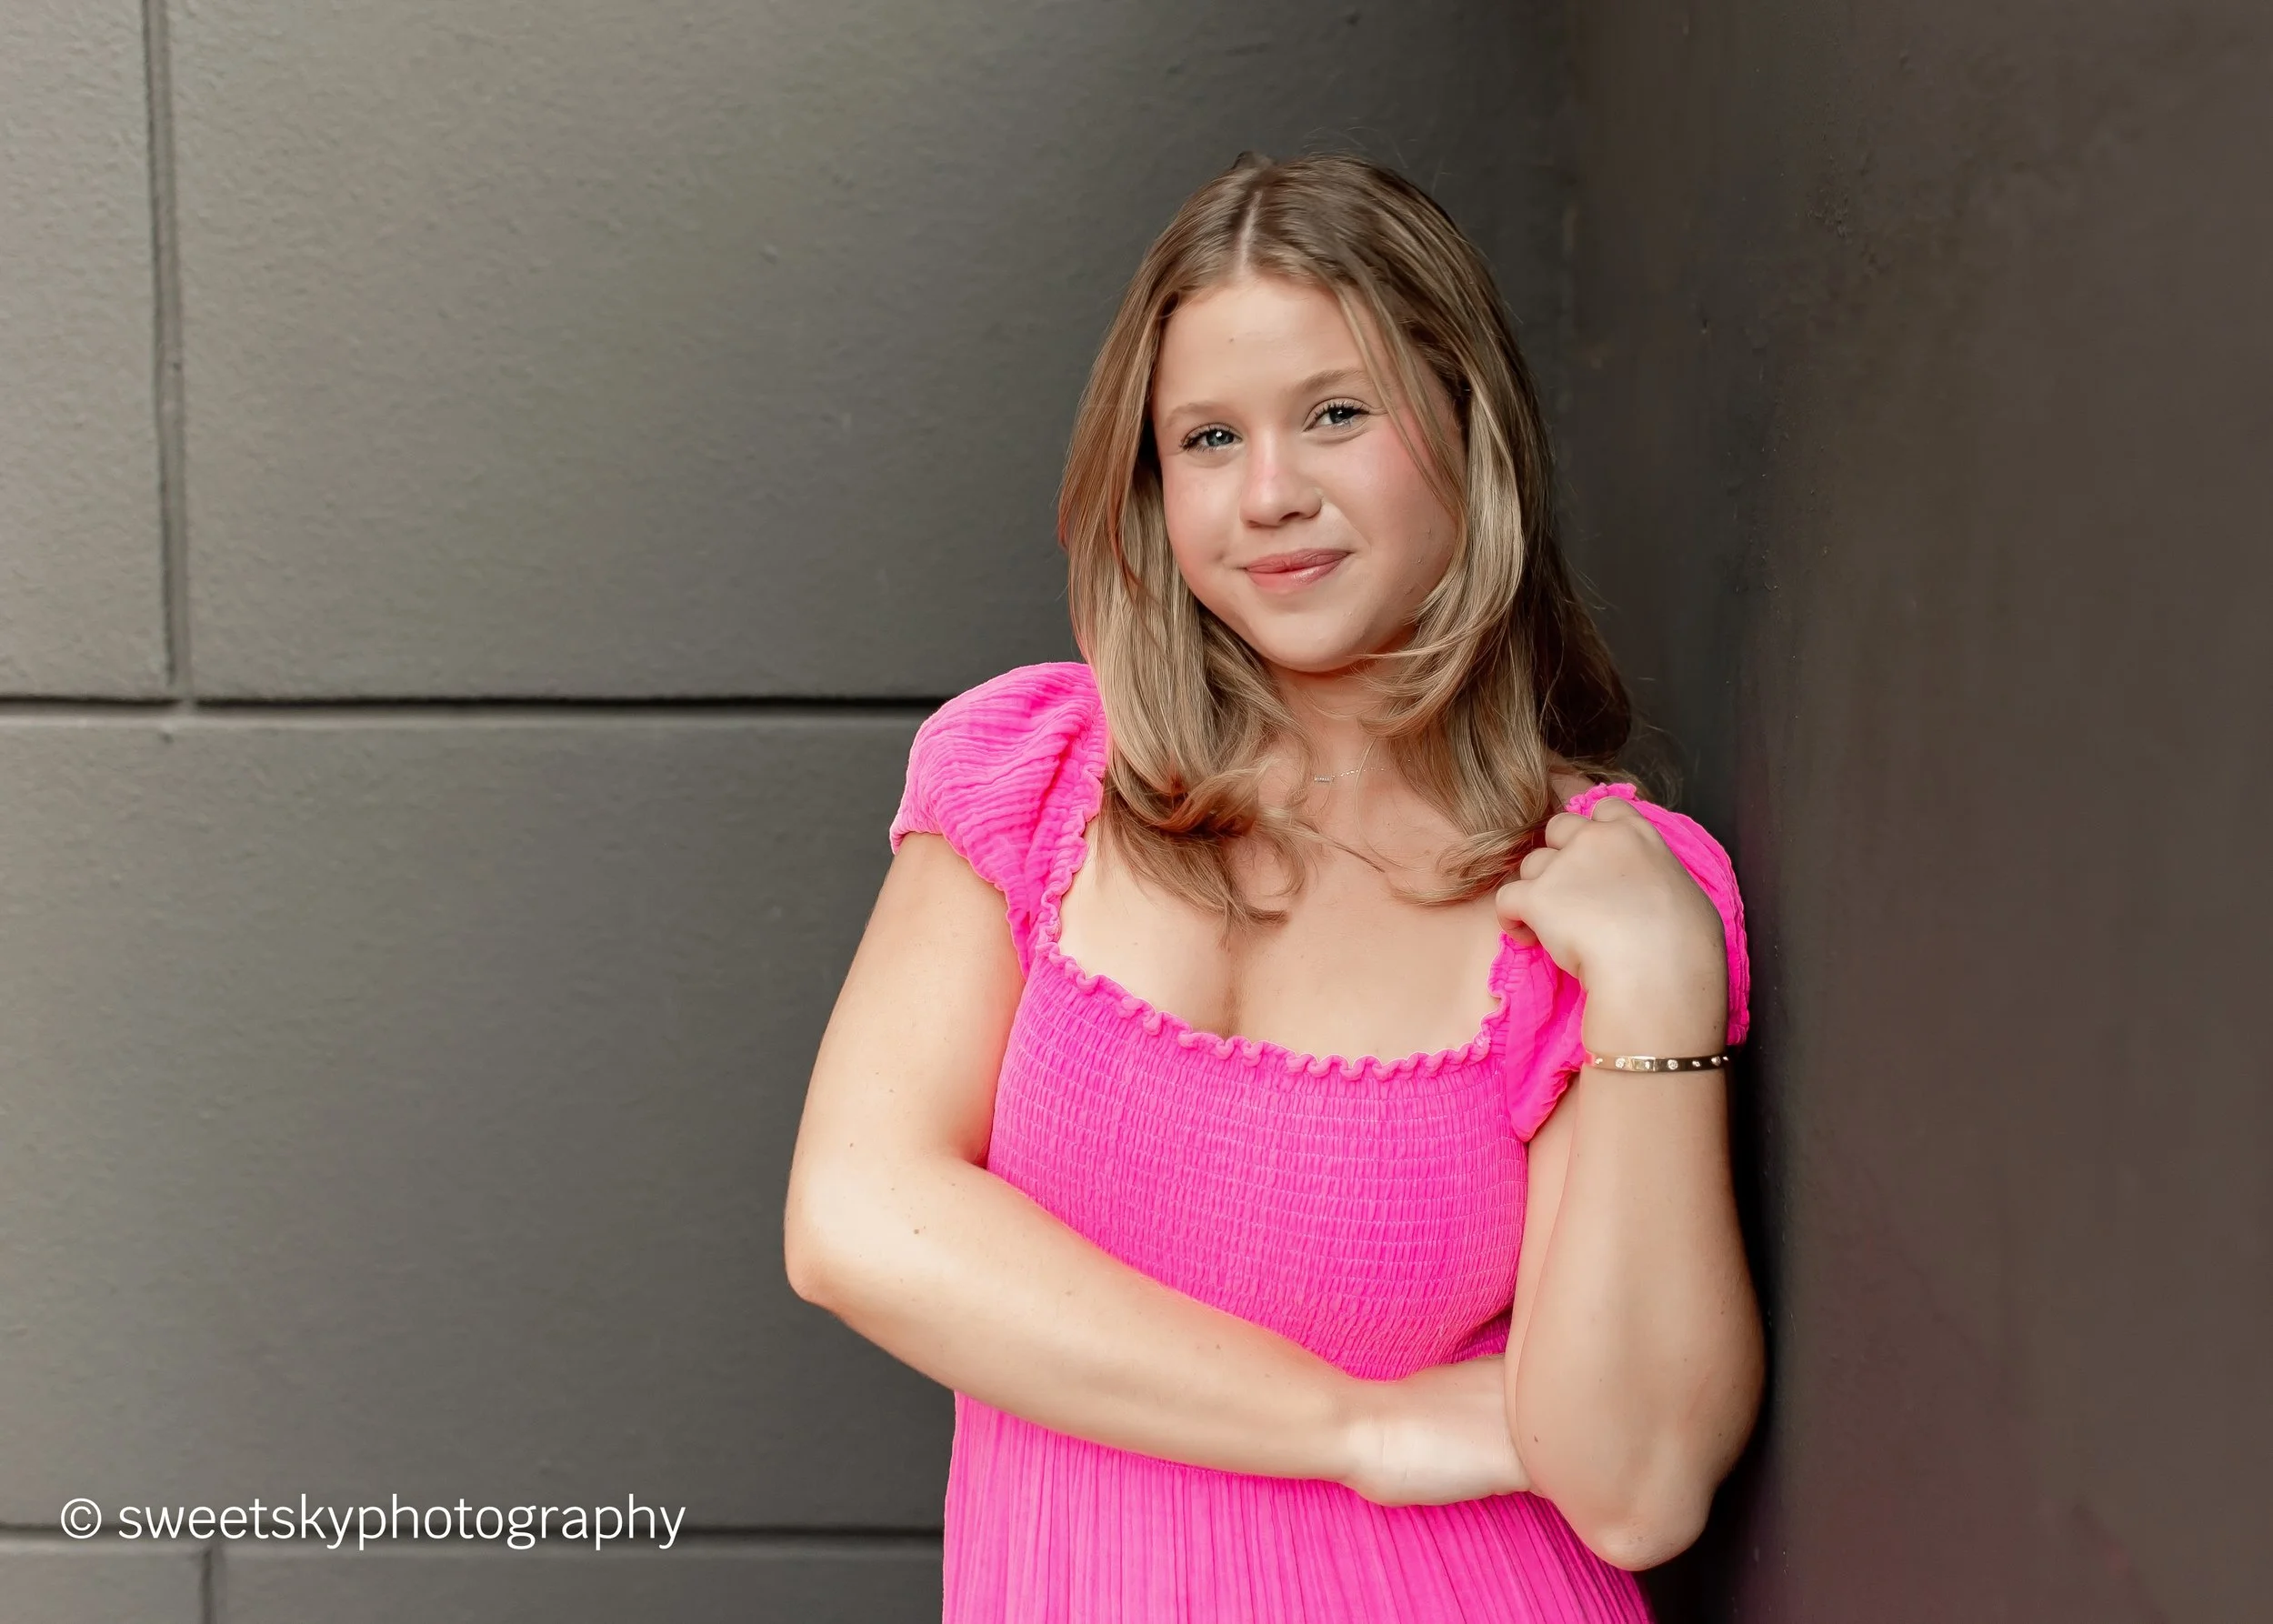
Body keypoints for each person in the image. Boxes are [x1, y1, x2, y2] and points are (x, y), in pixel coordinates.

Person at [783, 151, 1762, 1622]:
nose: (1272, 495)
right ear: (1152, 482)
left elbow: (1635, 1484)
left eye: (1337, 414)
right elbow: (855, 1219)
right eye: (1208, 439)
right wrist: (1349, 1427)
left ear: (1463, 423)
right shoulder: (1035, 778)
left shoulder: (1602, 900)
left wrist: (1664, 990)